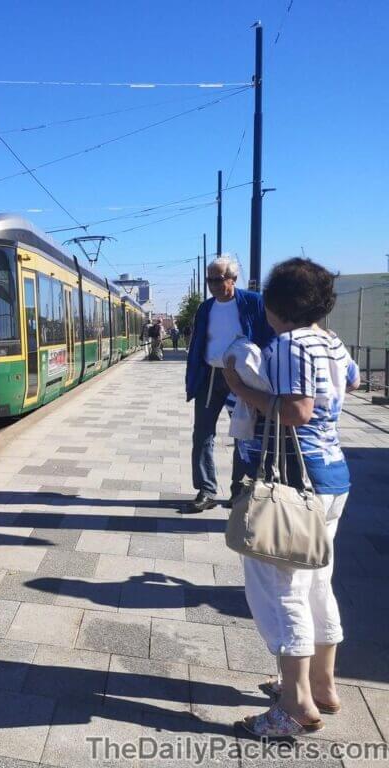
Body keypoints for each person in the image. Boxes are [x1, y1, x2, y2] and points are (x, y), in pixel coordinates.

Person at [221, 258, 359, 738]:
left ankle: (295, 705)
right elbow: (352, 380)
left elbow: (297, 411)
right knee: (317, 581)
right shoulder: (331, 341)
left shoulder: (288, 345)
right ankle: (322, 685)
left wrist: (240, 387)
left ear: (276, 305)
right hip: (332, 477)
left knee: (281, 590)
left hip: (295, 484)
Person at [183, 256, 273, 513]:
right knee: (202, 433)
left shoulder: (254, 302)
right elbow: (199, 342)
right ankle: (206, 490)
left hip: (242, 377)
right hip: (211, 374)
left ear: (233, 279)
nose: (212, 284)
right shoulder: (206, 308)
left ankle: (239, 489)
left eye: (218, 279)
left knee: (244, 432)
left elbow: (268, 336)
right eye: (209, 279)